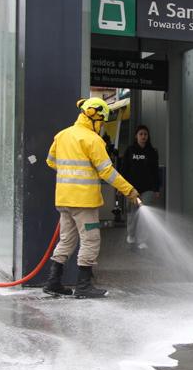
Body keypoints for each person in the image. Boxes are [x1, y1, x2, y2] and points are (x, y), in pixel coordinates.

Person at [43, 97, 140, 298]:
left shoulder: (62, 135)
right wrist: (129, 190)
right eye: (102, 120)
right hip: (83, 203)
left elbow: (51, 161)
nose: (102, 125)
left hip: (63, 200)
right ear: (94, 116)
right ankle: (83, 286)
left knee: (67, 240)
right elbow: (107, 172)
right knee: (91, 240)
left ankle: (53, 281)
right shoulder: (93, 140)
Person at [119, 124, 160, 248]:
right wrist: (120, 187)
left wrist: (156, 189)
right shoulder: (130, 151)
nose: (143, 137)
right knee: (132, 213)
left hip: (147, 189)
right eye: (141, 134)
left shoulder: (152, 152)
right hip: (132, 189)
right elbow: (124, 169)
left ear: (148, 136)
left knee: (144, 212)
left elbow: (155, 171)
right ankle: (131, 234)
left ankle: (142, 240)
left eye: (145, 134)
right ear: (136, 136)